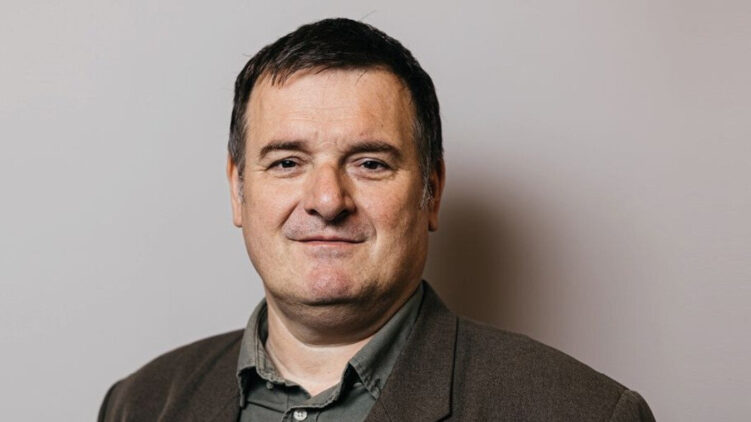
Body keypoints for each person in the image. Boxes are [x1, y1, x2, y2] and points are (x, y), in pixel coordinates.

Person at [98, 18, 655, 421]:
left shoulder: (582, 411)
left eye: (369, 163)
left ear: (431, 192)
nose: (327, 200)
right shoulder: (140, 403)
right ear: (238, 190)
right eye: (288, 162)